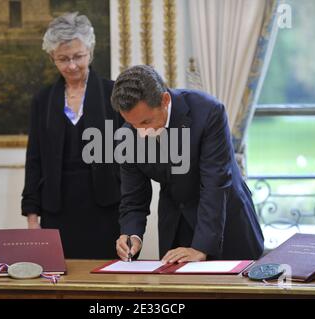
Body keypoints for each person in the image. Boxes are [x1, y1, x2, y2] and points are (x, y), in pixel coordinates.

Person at [111, 65, 264, 263]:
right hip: (176, 225)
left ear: (165, 101)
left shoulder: (208, 112)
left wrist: (201, 247)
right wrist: (132, 235)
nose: (141, 132)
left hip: (225, 223)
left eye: (146, 122)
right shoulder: (128, 136)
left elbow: (215, 184)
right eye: (134, 125)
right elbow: (133, 196)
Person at [21, 13, 123, 259]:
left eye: (78, 56)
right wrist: (33, 219)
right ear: (52, 58)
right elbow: (34, 161)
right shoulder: (42, 101)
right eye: (63, 59)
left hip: (107, 210)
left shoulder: (113, 94)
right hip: (58, 211)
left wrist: (131, 221)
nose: (72, 65)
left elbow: (129, 160)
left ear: (90, 50)